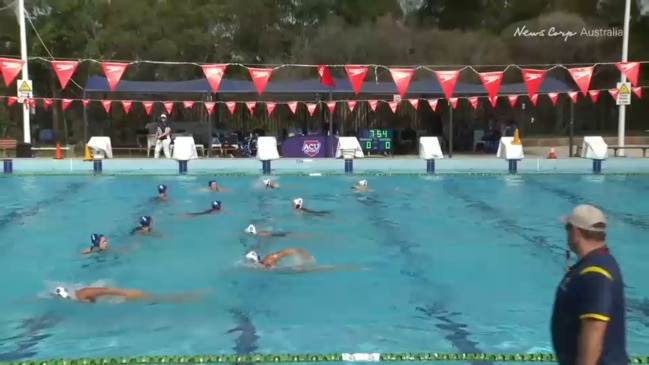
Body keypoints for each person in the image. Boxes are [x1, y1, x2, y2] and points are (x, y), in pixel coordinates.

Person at [551, 204, 626, 365]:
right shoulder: (594, 264)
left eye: (567, 228)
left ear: (576, 232)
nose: (567, 234)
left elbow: (594, 328)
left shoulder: (596, 271)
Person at [244, 250, 364, 273]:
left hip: (290, 271)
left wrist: (303, 253)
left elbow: (288, 251)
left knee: (323, 269)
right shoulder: (255, 266)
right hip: (284, 272)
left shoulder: (270, 258)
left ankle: (353, 268)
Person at [51, 286, 204, 304]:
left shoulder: (84, 293)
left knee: (156, 299)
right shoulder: (75, 299)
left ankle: (188, 297)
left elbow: (107, 290)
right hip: (115, 299)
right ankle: (187, 296)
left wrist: (126, 293)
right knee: (155, 299)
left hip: (122, 296)